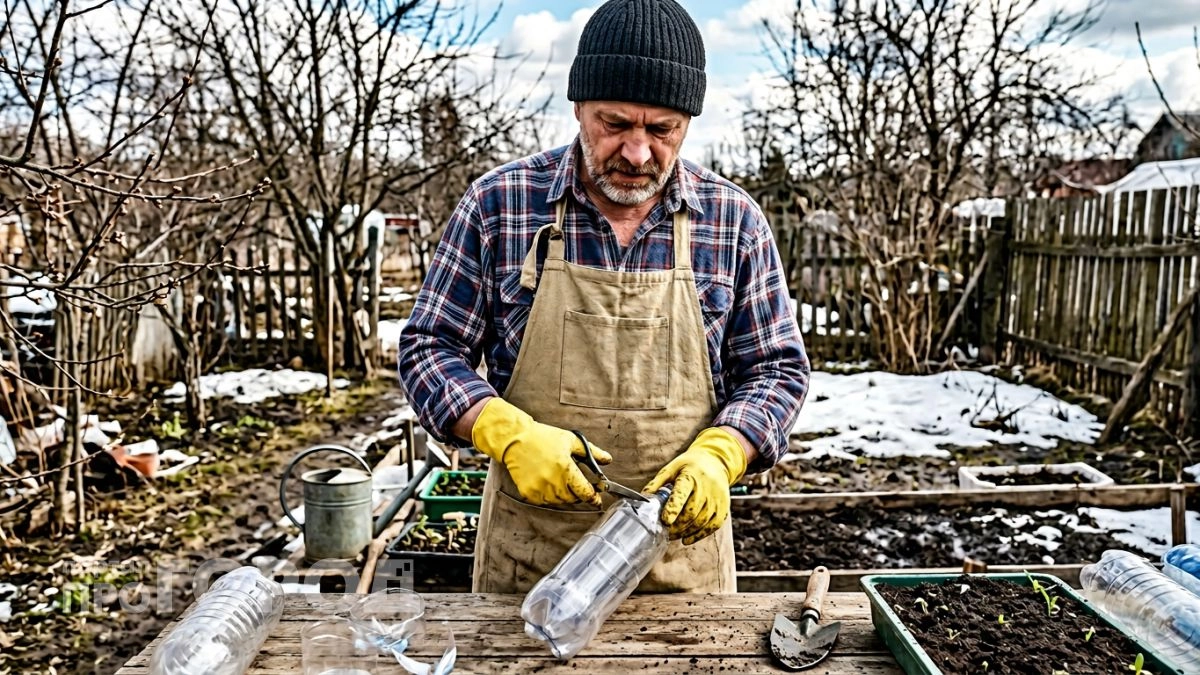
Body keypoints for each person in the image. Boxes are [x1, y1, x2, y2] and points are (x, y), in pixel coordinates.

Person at [397, 0, 809, 594]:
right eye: (614, 124)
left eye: (662, 130)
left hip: (681, 573)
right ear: (578, 108)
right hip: (529, 568)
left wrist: (726, 451)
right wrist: (502, 430)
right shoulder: (501, 205)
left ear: (688, 123)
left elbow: (776, 370)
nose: (638, 153)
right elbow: (428, 347)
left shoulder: (733, 220)